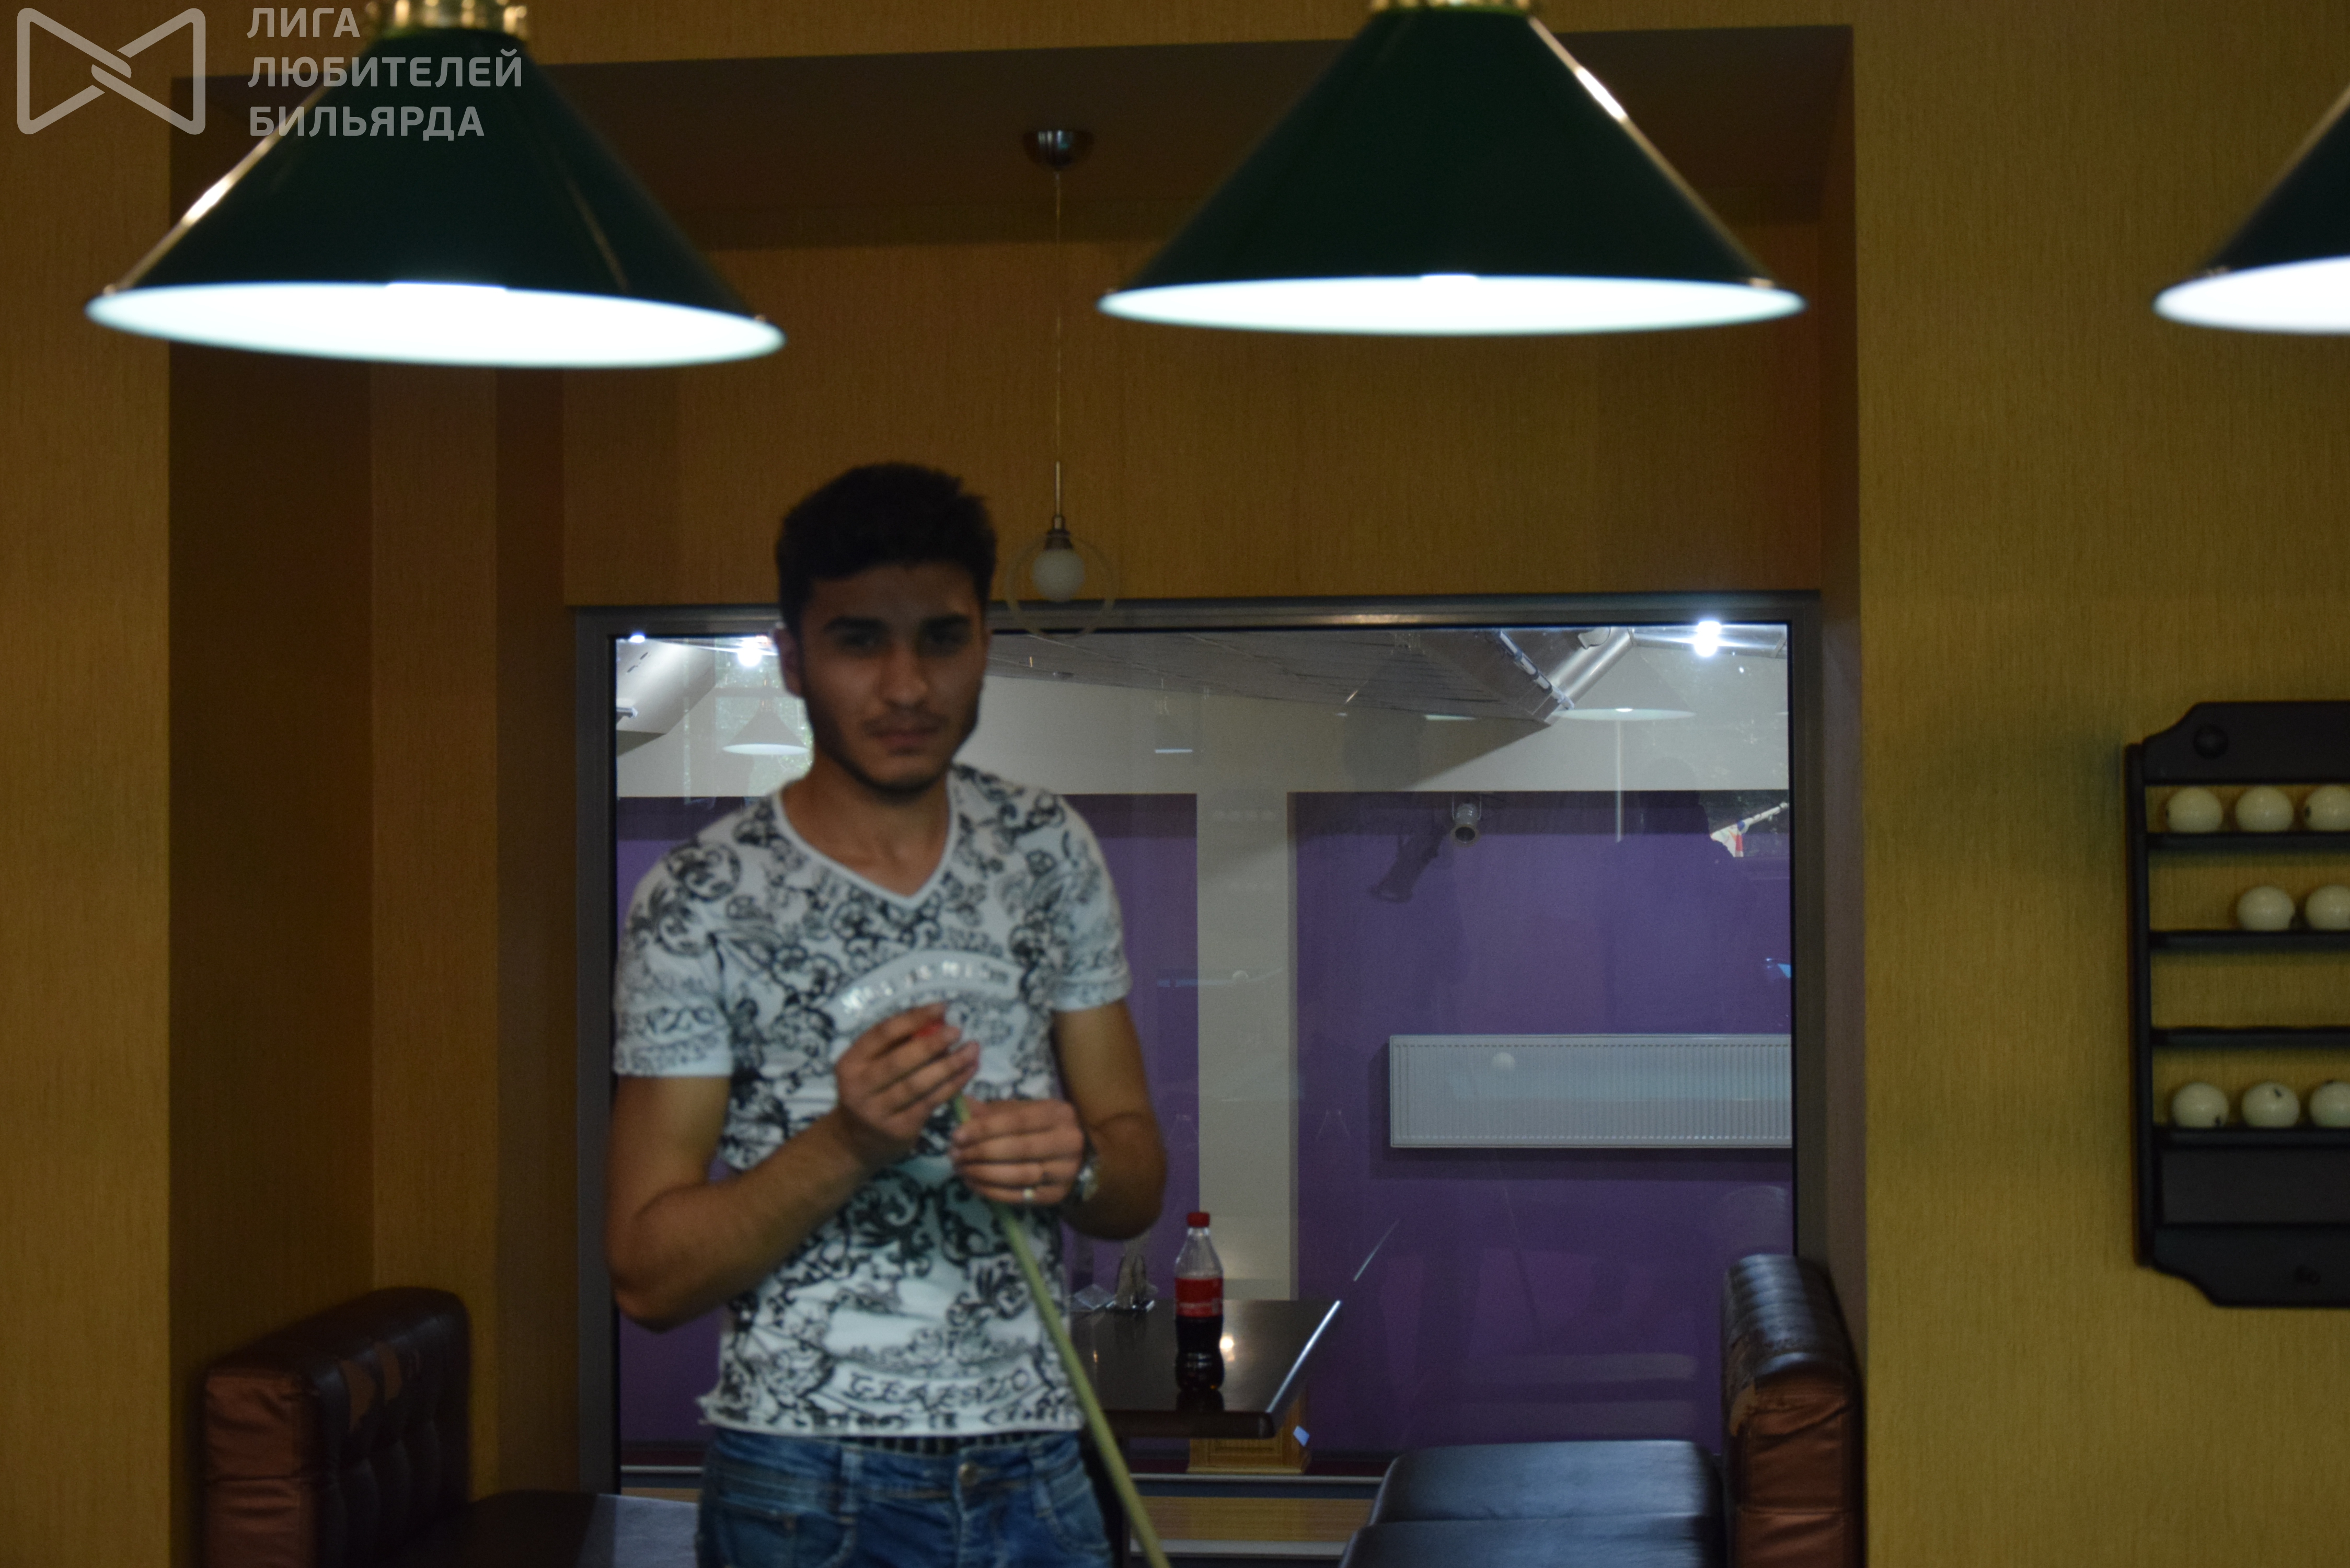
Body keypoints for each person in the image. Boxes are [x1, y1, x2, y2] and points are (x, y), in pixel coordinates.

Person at [606, 463, 1167, 1568]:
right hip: (801, 1482)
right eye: (860, 641)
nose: (907, 686)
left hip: (1037, 1460)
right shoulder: (701, 897)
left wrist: (1078, 1166)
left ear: (985, 645)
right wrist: (849, 1142)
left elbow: (1136, 1179)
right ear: (792, 660)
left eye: (942, 639)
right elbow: (647, 1278)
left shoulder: (1048, 850)